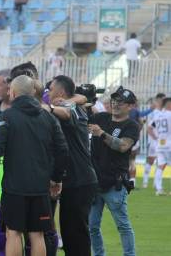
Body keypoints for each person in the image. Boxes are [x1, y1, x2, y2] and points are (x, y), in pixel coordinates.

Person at [0, 75, 69, 256]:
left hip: (14, 187)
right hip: (40, 187)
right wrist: (56, 178)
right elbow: (62, 150)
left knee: (13, 232)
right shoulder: (48, 118)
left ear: (12, 93)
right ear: (33, 92)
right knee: (37, 234)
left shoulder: (6, 117)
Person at [47, 75, 98, 256]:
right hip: (76, 179)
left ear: (60, 92)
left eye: (51, 89)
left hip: (79, 180)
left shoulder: (71, 108)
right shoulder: (75, 104)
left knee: (76, 236)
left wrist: (50, 107)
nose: (48, 93)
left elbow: (67, 111)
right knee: (71, 235)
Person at [88, 86, 139, 256]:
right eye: (114, 100)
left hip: (115, 183)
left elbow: (123, 146)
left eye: (121, 102)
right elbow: (83, 114)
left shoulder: (131, 125)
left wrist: (101, 134)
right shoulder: (101, 117)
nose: (116, 104)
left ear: (131, 106)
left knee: (122, 225)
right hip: (94, 182)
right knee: (92, 226)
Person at [143, 93, 166, 188]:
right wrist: (154, 137)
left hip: (163, 141)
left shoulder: (165, 112)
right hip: (153, 140)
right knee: (150, 160)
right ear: (158, 100)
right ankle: (145, 181)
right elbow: (146, 124)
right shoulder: (153, 112)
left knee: (160, 161)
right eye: (162, 100)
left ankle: (156, 183)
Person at [149, 97, 171, 196]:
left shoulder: (158, 116)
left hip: (160, 145)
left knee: (160, 166)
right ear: (168, 104)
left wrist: (156, 138)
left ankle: (159, 189)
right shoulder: (169, 115)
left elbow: (149, 128)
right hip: (169, 144)